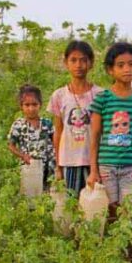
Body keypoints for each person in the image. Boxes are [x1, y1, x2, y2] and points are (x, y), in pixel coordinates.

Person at [87, 42, 132, 216]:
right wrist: (93, 170)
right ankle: (110, 243)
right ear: (111, 70)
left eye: (131, 64)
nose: (127, 69)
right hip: (106, 165)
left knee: (129, 210)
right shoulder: (102, 100)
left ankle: (127, 244)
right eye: (121, 65)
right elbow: (94, 136)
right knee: (109, 208)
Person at [49, 41, 103, 195]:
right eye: (73, 60)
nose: (78, 65)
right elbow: (58, 132)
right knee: (70, 204)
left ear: (91, 63)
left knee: (95, 205)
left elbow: (102, 131)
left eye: (83, 60)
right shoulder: (59, 95)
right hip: (69, 160)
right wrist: (58, 166)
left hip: (95, 160)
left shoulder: (100, 95)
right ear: (66, 63)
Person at [7, 84, 56, 188]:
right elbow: (11, 145)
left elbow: (56, 142)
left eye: (34, 104)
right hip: (30, 166)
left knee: (48, 194)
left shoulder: (47, 123)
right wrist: (23, 156)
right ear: (21, 106)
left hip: (49, 166)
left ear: (40, 105)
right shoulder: (19, 125)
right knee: (31, 195)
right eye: (27, 105)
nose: (31, 108)